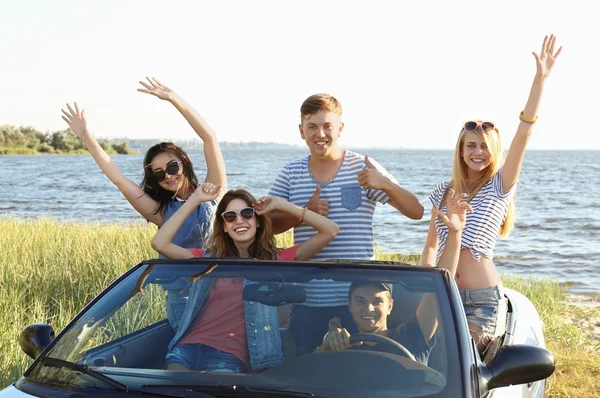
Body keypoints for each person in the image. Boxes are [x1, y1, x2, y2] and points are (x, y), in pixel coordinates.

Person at [421, 35, 562, 353]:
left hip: (482, 298)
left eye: (485, 146)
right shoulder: (443, 190)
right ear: (461, 149)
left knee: (470, 366)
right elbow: (430, 247)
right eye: (471, 145)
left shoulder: (499, 185)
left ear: (494, 151)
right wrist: (427, 289)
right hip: (445, 293)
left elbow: (524, 134)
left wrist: (540, 80)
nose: (478, 152)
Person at [61, 77, 227, 329]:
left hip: (223, 289)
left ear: (184, 162)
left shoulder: (212, 191)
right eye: (159, 174)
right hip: (182, 297)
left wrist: (174, 98)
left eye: (172, 167)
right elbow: (117, 177)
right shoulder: (160, 211)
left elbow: (210, 138)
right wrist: (86, 135)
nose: (168, 176)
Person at [267, 93, 425, 355]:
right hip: (308, 301)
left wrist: (384, 183)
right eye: (312, 126)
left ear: (340, 128)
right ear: (301, 131)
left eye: (327, 125)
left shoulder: (362, 167)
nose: (321, 133)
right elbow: (266, 227)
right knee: (309, 374)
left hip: (359, 304)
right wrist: (303, 212)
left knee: (358, 375)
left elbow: (416, 211)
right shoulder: (290, 173)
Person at [151, 185, 340, 372]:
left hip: (230, 356)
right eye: (230, 217)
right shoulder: (208, 259)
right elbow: (159, 243)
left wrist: (283, 204)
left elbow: (330, 230)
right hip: (188, 347)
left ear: (258, 221)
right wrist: (195, 199)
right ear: (224, 227)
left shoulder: (276, 260)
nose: (239, 221)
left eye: (247, 214)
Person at [317, 190, 471, 366]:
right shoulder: (342, 344)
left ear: (390, 306)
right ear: (350, 306)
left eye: (377, 301)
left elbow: (439, 291)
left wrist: (455, 233)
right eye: (360, 300)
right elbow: (310, 372)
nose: (368, 308)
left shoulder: (411, 336)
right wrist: (326, 346)